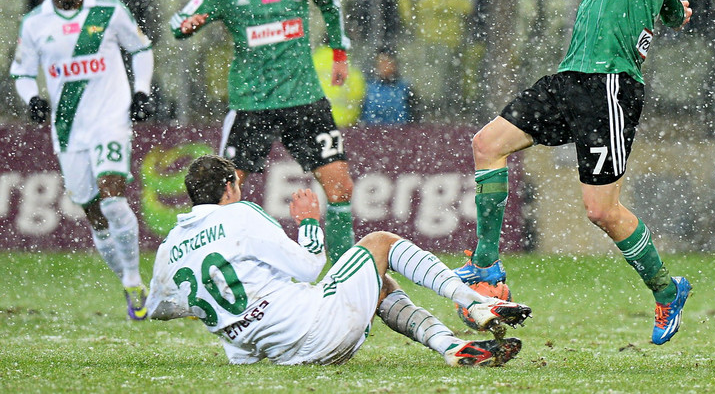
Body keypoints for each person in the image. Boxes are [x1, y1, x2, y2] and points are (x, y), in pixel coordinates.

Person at [456, 0, 693, 345]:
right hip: (571, 78)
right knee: (487, 144)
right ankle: (486, 267)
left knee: (600, 211)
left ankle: (666, 289)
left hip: (609, 84)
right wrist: (672, 8)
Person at [146, 155, 531, 367]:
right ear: (230, 186)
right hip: (317, 330)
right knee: (379, 243)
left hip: (276, 356)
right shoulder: (240, 214)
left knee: (377, 284)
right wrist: (310, 223)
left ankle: (451, 347)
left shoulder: (170, 247)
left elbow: (159, 309)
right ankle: (476, 302)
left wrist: (211, 301)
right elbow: (310, 266)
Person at [170, 0, 356, 262]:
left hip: (304, 98)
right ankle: (223, 269)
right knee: (221, 192)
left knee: (340, 188)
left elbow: (331, 5)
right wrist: (187, 26)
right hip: (252, 104)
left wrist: (338, 53)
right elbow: (179, 21)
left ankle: (346, 276)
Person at [10, 0, 156, 319]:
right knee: (92, 212)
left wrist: (141, 90)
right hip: (69, 129)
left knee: (112, 200)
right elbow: (22, 73)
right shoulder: (35, 23)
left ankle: (136, 280)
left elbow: (141, 49)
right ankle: (129, 281)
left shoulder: (109, 11)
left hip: (110, 119)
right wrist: (33, 100)